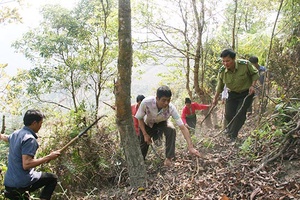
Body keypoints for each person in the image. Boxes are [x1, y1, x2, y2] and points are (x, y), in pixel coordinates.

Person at [0, 109, 61, 200]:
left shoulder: (16, 133)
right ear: (34, 123)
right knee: (52, 178)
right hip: (21, 183)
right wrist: (48, 157)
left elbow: (5, 137)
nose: (41, 125)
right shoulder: (30, 139)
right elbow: (26, 164)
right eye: (41, 123)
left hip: (9, 183)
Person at [135, 85, 201, 167]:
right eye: (163, 100)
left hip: (162, 122)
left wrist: (190, 147)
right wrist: (145, 134)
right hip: (147, 124)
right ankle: (140, 164)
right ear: (157, 98)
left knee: (171, 129)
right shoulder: (146, 103)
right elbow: (140, 118)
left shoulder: (171, 108)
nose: (166, 103)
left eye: (168, 100)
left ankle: (168, 159)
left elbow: (182, 127)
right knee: (143, 145)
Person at [212, 49, 259, 141]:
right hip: (232, 94)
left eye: (228, 61)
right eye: (223, 61)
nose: (225, 63)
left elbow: (255, 74)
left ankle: (232, 135)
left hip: (246, 93)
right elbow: (219, 86)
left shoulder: (245, 65)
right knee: (229, 114)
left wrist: (252, 86)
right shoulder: (222, 72)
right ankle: (230, 131)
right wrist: (215, 99)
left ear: (234, 59)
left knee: (240, 113)